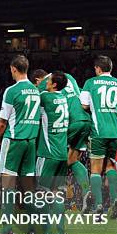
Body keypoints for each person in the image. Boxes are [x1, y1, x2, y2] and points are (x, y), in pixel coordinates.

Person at [33, 69, 93, 213]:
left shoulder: (43, 85)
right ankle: (86, 192)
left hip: (69, 122)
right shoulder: (69, 78)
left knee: (57, 161)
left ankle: (45, 213)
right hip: (85, 120)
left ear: (37, 80)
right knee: (72, 160)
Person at [0, 55, 41, 234]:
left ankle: (7, 230)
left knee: (7, 186)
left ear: (13, 68)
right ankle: (32, 230)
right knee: (29, 189)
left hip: (14, 140)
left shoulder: (11, 91)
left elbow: (2, 122)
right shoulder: (36, 91)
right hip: (31, 142)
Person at [80, 55, 117, 216]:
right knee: (110, 166)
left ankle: (99, 205)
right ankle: (115, 198)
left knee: (95, 169)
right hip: (116, 132)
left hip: (98, 131)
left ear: (98, 69)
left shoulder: (90, 83)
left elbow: (85, 105)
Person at [34, 71, 69, 234]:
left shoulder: (45, 97)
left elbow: (35, 91)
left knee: (41, 194)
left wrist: (41, 81)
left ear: (54, 84)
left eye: (49, 80)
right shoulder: (63, 97)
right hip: (63, 154)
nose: (46, 81)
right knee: (58, 195)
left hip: (48, 154)